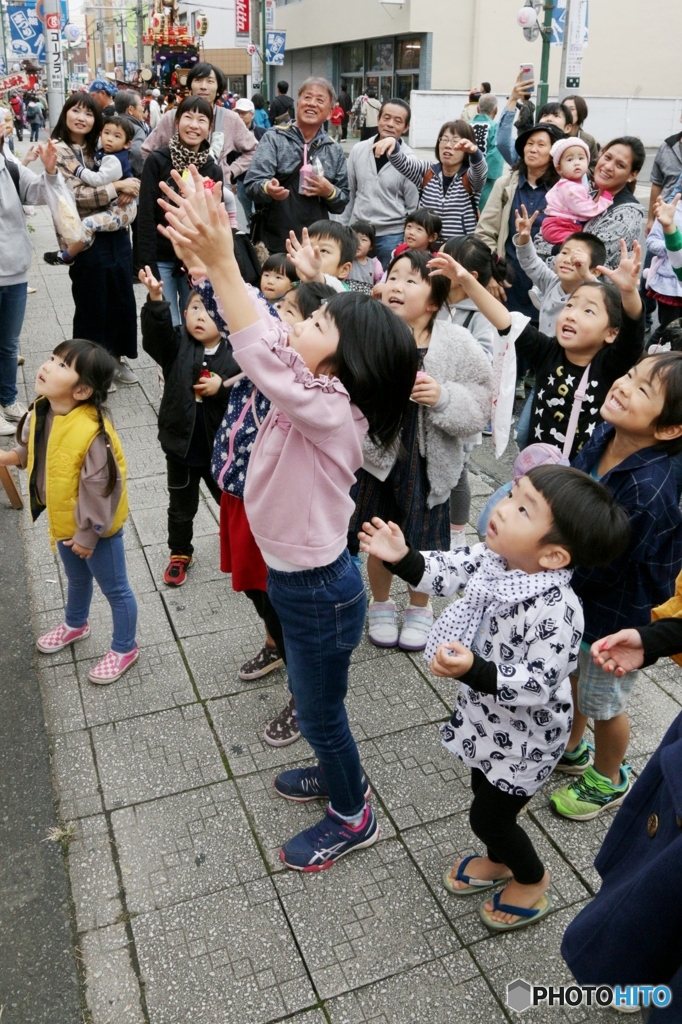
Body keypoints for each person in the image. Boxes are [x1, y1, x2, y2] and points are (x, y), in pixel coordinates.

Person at [161, 169, 419, 871]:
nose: (294, 324)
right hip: (302, 580)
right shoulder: (317, 382)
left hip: (318, 590)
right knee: (315, 701)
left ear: (344, 362)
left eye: (313, 323)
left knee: (319, 706)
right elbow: (270, 333)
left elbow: (263, 352)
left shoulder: (332, 410)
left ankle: (352, 811)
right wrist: (215, 270)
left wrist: (221, 259)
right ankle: (336, 774)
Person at [358, 465, 630, 930]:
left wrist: (474, 669)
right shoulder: (494, 559)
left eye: (523, 509)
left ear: (552, 556)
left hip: (527, 737)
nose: (502, 508)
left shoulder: (557, 610)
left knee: (490, 816)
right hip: (488, 719)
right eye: (511, 495)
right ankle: (499, 860)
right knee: (481, 790)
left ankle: (532, 877)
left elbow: (541, 683)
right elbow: (444, 569)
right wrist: (402, 557)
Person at [549, 351, 682, 820]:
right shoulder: (608, 432)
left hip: (616, 611)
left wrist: (550, 569)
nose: (623, 385)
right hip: (577, 588)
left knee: (604, 700)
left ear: (668, 429)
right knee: (572, 673)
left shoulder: (650, 488)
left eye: (643, 389)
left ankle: (609, 778)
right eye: (629, 375)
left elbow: (614, 564)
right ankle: (571, 745)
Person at [208, 277, 336, 743]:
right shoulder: (259, 365)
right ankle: (275, 643)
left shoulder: (291, 381)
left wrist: (218, 263)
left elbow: (251, 316)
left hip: (272, 512)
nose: (279, 320)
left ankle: (304, 695)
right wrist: (207, 269)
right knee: (253, 590)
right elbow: (232, 312)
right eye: (278, 309)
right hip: (236, 493)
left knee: (280, 598)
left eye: (293, 314)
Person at [348, 249, 492, 651]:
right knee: (377, 533)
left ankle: (419, 607)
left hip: (430, 463)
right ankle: (379, 603)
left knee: (425, 540)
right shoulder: (371, 331)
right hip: (378, 458)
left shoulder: (457, 341)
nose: (397, 285)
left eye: (412, 280)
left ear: (433, 301)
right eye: (393, 276)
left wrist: (443, 397)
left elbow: (482, 401)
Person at [429, 240, 645, 460]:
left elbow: (633, 336)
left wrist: (629, 293)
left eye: (589, 311)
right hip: (536, 469)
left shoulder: (611, 365)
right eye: (570, 305)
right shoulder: (547, 352)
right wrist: (465, 280)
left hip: (579, 483)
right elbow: (504, 319)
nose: (571, 314)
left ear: (611, 333)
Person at [0, 339, 138, 683]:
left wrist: (88, 536)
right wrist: (13, 456)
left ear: (82, 391)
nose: (46, 366)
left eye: (62, 365)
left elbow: (102, 489)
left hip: (96, 530)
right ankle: (76, 624)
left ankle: (125, 647)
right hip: (64, 521)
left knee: (116, 589)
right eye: (51, 358)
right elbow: (34, 448)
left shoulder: (92, 433)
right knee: (76, 579)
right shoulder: (44, 409)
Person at [139, 267, 238, 586]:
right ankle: (179, 552)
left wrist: (221, 386)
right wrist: (156, 299)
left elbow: (247, 389)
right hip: (180, 445)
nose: (200, 315)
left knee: (230, 503)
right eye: (195, 307)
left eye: (209, 310)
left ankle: (238, 546)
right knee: (180, 506)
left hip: (220, 448)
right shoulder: (178, 342)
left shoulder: (236, 351)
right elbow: (156, 339)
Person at [50, 94, 139, 385]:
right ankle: (90, 369)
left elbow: (130, 173)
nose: (82, 118)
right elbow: (74, 195)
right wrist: (117, 186)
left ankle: (116, 358)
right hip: (86, 239)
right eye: (75, 111)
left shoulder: (101, 144)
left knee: (121, 298)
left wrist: (131, 185)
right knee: (92, 303)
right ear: (65, 114)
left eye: (88, 113)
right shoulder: (59, 150)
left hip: (117, 238)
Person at [138, 96, 223, 327]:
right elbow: (145, 213)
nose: (194, 125)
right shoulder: (157, 161)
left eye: (201, 119)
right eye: (188, 117)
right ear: (177, 122)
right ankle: (168, 365)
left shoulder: (213, 170)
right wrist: (146, 262)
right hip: (161, 256)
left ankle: (194, 365)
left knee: (197, 323)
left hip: (196, 258)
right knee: (167, 321)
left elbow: (215, 219)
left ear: (210, 128)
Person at [243, 77, 349, 254]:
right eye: (307, 98)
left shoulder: (333, 149)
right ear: (298, 103)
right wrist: (268, 188)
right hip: (275, 241)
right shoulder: (274, 137)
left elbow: (342, 200)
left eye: (320, 100)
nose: (312, 104)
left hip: (315, 244)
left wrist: (328, 191)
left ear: (330, 112)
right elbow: (252, 184)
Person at [0, 129, 60, 435]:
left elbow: (38, 192)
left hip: (15, 269)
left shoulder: (7, 165)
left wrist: (49, 169)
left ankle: (8, 400)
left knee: (9, 343)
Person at [475, 120, 564, 321]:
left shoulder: (563, 190)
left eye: (541, 145)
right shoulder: (505, 184)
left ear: (553, 154)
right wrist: (491, 273)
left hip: (547, 286)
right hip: (507, 284)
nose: (533, 149)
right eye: (529, 143)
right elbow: (484, 232)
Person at [533, 138, 646, 273]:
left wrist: (551, 251)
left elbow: (582, 263)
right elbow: (541, 237)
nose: (608, 166)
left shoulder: (626, 215)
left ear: (632, 175)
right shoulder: (585, 194)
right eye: (607, 157)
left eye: (620, 165)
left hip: (593, 292)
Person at [141, 63, 256, 187]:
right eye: (198, 80)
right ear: (190, 85)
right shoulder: (172, 117)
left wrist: (230, 172)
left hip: (215, 191)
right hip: (174, 191)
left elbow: (254, 150)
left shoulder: (230, 119)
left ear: (218, 88)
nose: (203, 86)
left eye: (210, 81)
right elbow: (146, 150)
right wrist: (161, 176)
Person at [44, 115, 138, 265]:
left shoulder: (113, 159)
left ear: (127, 143)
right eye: (106, 133)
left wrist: (78, 170)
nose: (109, 139)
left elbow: (98, 179)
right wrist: (121, 186)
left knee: (88, 224)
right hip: (117, 207)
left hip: (122, 210)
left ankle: (67, 256)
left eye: (116, 136)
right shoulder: (103, 149)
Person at [373, 119, 487, 241]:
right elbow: (403, 163)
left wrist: (475, 153)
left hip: (459, 251)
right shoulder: (427, 171)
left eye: (455, 141)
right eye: (444, 139)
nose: (448, 145)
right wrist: (393, 143)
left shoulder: (469, 177)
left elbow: (480, 172)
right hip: (426, 249)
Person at [341, 97, 419, 268]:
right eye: (386, 118)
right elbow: (350, 194)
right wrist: (342, 228)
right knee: (355, 282)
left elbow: (413, 207)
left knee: (385, 285)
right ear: (378, 119)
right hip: (358, 233)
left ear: (406, 127)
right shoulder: (359, 150)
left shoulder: (410, 161)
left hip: (392, 236)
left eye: (398, 121)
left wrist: (407, 242)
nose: (390, 124)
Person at [540, 138, 613, 245]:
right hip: (560, 227)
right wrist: (605, 200)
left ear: (587, 162)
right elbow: (586, 210)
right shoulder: (570, 188)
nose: (576, 163)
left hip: (562, 225)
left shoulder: (572, 184)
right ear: (559, 169)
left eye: (581, 158)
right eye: (570, 160)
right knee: (580, 245)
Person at [646, 190, 682, 336]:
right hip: (669, 286)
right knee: (668, 330)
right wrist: (673, 248)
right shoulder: (670, 209)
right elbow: (651, 241)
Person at [645, 114, 682, 236]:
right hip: (662, 219)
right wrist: (651, 219)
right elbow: (657, 183)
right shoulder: (667, 146)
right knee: (654, 252)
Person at [471, 93, 503, 210]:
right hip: (486, 182)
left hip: (464, 177)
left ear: (478, 109)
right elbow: (496, 155)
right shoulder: (496, 127)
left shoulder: (465, 126)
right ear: (496, 110)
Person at [114, 90, 149, 177]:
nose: (143, 109)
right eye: (141, 105)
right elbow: (137, 153)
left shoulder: (110, 125)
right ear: (130, 110)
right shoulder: (136, 129)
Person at [563, 95, 600, 174]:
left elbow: (594, 167)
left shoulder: (588, 140)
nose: (567, 112)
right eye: (564, 109)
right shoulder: (553, 135)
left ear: (580, 112)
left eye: (571, 109)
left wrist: (581, 172)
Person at [347, 221, 383, 292]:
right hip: (347, 297)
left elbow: (380, 282)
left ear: (371, 246)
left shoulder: (374, 264)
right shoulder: (344, 260)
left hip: (366, 300)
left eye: (363, 240)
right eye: (354, 238)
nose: (358, 243)